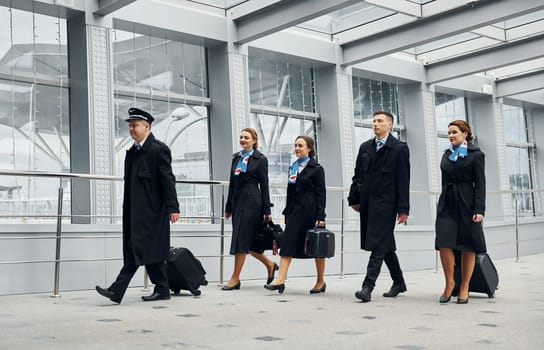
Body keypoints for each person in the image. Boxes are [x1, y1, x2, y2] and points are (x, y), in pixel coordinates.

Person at [95, 107, 180, 304]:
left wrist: (173, 207)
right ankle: (163, 288)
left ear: (147, 126)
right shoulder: (133, 151)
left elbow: (168, 180)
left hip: (152, 211)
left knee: (137, 249)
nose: (131, 129)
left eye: (135, 125)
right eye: (130, 126)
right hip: (134, 212)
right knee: (149, 250)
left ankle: (117, 290)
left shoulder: (158, 150)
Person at [348, 111, 410, 302]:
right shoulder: (365, 147)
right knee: (384, 243)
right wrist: (354, 198)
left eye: (380, 121)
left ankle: (367, 287)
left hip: (387, 204)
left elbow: (403, 180)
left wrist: (403, 209)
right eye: (373, 121)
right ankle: (399, 282)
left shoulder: (399, 148)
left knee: (377, 243)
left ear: (390, 125)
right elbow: (357, 175)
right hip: (367, 202)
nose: (375, 124)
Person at [265, 135, 327, 294]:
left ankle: (320, 281)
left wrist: (321, 216)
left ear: (310, 149)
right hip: (294, 212)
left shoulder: (317, 169)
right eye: (295, 145)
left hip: (310, 213)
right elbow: (290, 191)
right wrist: (287, 211)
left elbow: (321, 194)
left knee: (315, 246)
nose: (297, 148)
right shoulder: (293, 167)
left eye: (300, 145)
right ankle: (280, 280)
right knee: (287, 245)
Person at [435, 120, 486, 304]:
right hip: (447, 202)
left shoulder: (476, 155)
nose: (451, 135)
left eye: (454, 132)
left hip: (467, 202)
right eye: (449, 132)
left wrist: (479, 209)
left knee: (468, 245)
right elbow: (443, 181)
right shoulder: (446, 155)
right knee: (444, 242)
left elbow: (480, 184)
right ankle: (450, 283)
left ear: (465, 134)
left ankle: (464, 286)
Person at [222, 128, 278, 290]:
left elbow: (265, 185)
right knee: (248, 241)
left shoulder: (260, 159)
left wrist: (267, 210)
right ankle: (269, 264)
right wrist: (228, 206)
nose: (243, 139)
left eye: (246, 137)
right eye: (241, 137)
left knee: (241, 239)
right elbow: (232, 183)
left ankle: (235, 278)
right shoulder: (236, 157)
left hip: (253, 202)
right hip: (238, 202)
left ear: (254, 140)